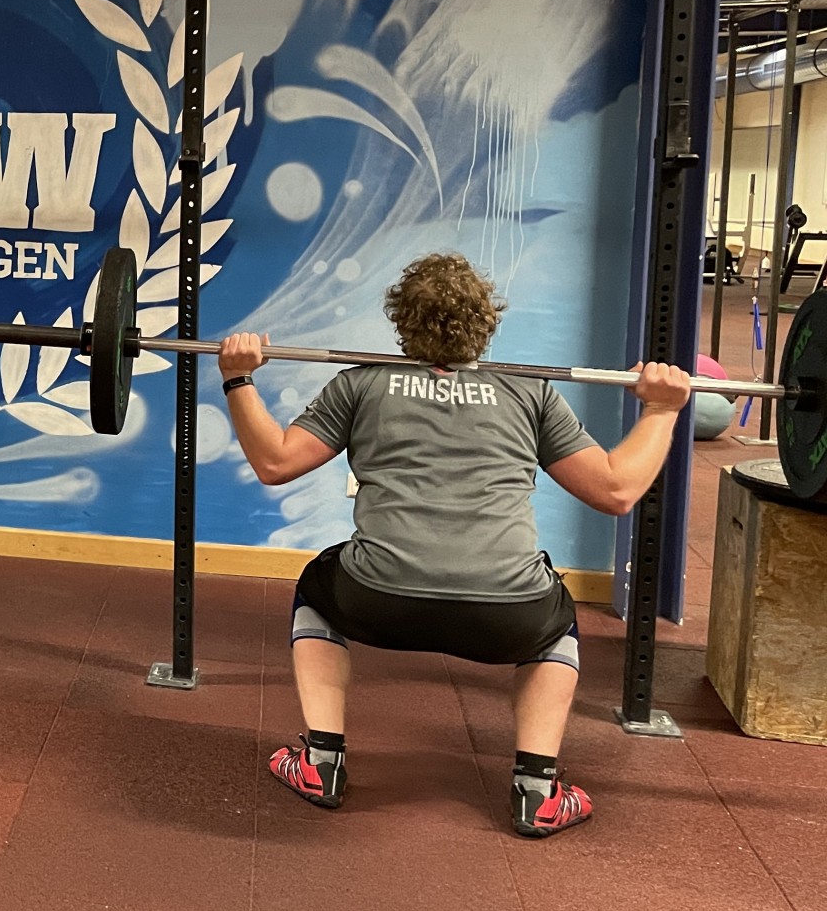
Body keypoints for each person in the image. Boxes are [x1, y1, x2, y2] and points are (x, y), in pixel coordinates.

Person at [217, 253, 693, 839]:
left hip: (377, 601)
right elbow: (616, 491)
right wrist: (662, 410)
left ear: (402, 321)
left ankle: (321, 762)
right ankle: (537, 790)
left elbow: (274, 463)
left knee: (318, 589)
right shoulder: (529, 391)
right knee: (556, 623)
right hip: (510, 616)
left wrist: (237, 378)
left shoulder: (359, 384)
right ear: (486, 322)